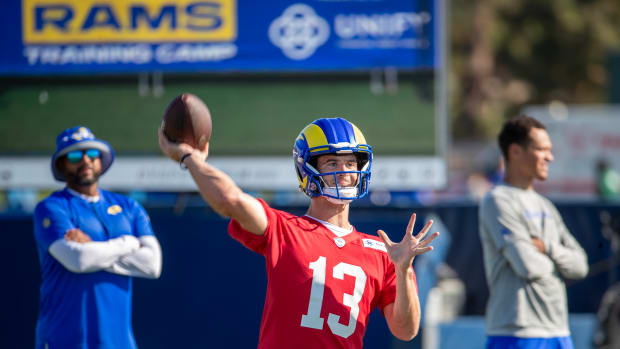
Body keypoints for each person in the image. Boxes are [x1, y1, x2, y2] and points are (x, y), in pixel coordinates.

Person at [158, 117, 439, 348]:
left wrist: (403, 271)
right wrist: (190, 158)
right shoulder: (285, 229)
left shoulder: (384, 252)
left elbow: (406, 330)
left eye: (351, 163)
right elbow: (230, 200)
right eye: (332, 163)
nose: (345, 172)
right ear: (307, 169)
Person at [33, 126, 162, 349]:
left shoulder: (129, 206)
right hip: (63, 341)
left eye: (92, 154)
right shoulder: (51, 207)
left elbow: (152, 264)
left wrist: (94, 248)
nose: (85, 160)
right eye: (74, 155)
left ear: (101, 161)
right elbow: (78, 260)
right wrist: (129, 243)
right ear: (62, 164)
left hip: (119, 342)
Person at [479, 115, 589, 349]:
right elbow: (527, 265)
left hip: (559, 331)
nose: (550, 157)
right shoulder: (497, 201)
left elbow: (581, 265)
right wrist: (559, 264)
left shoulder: (545, 206)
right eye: (542, 149)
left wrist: (547, 247)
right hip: (517, 333)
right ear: (516, 151)